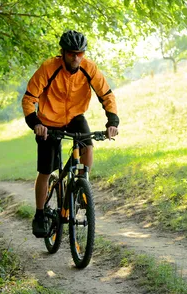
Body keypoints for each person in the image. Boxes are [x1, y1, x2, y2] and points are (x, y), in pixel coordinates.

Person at [22, 30, 119, 237]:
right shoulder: (49, 68)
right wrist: (36, 123)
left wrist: (112, 122)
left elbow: (106, 95)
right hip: (48, 121)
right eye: (72, 53)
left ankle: (82, 186)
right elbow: (29, 99)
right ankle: (40, 213)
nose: (76, 57)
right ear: (63, 52)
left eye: (80, 53)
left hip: (75, 117)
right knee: (46, 170)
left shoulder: (89, 68)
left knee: (88, 147)